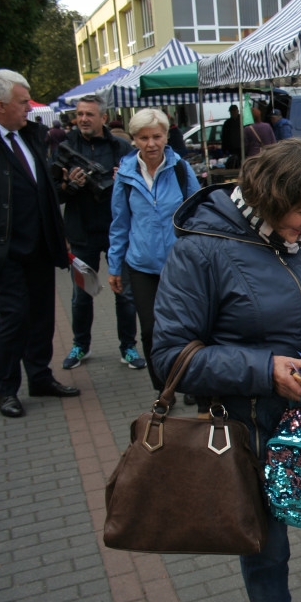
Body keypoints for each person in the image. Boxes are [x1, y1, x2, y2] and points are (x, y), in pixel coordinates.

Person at [151, 139, 301, 602]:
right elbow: (168, 359)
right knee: (267, 550)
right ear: (269, 199)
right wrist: (264, 369)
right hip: (248, 432)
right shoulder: (200, 250)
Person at [0, 69, 80, 418]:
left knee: (43, 317)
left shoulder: (31, 136)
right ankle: (6, 388)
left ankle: (40, 377)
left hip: (40, 247)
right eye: (22, 102)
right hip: (2, 250)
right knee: (14, 317)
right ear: (0, 105)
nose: (28, 109)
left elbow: (41, 188)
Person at [108, 108, 200, 392]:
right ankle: (163, 388)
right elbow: (120, 224)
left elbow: (199, 214)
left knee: (186, 328)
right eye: (144, 137)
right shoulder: (124, 176)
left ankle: (189, 382)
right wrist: (114, 266)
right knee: (150, 330)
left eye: (157, 136)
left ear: (166, 136)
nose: (151, 144)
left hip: (180, 265)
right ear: (134, 139)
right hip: (142, 266)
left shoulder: (181, 170)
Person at [53, 94, 145, 372]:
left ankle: (128, 347)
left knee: (125, 293)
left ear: (103, 118)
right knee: (82, 294)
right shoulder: (65, 148)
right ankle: (81, 344)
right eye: (79, 114)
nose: (82, 119)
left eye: (89, 114)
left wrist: (123, 180)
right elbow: (52, 194)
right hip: (81, 233)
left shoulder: (120, 146)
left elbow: (139, 185)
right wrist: (71, 187)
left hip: (117, 232)